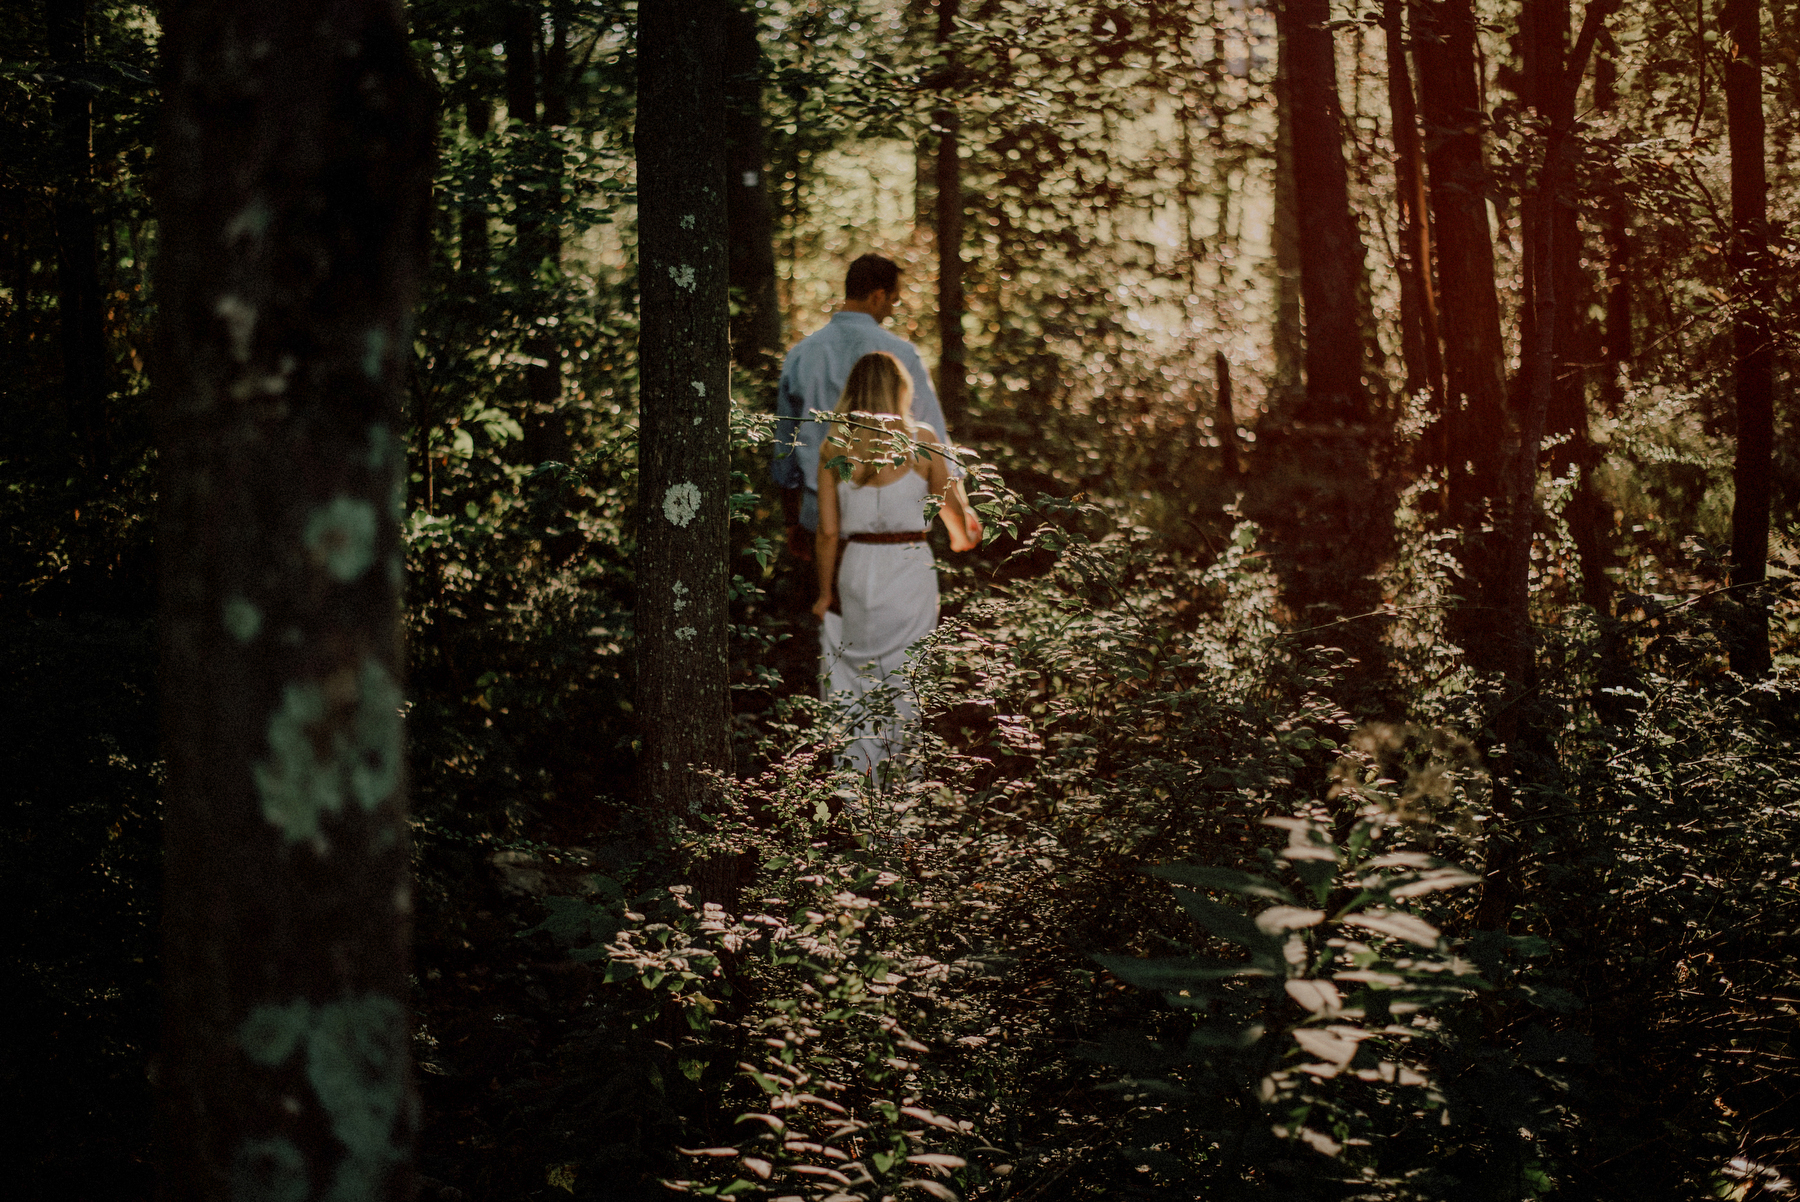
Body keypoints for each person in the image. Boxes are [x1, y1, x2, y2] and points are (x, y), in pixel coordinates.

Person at [770, 254, 962, 678]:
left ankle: (827, 733)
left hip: (821, 521)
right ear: (877, 296)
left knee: (832, 649)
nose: (892, 309)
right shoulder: (902, 356)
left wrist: (791, 520)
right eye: (892, 300)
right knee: (899, 661)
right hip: (896, 533)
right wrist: (956, 518)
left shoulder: (802, 355)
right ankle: (900, 738)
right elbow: (938, 448)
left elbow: (786, 448)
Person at [812, 352, 980, 779]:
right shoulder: (922, 441)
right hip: (909, 571)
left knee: (857, 680)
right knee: (905, 680)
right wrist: (965, 514)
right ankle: (902, 793)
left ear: (852, 393)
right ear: (901, 390)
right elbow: (961, 535)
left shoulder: (834, 445)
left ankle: (860, 787)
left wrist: (826, 593)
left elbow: (828, 533)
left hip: (856, 570)